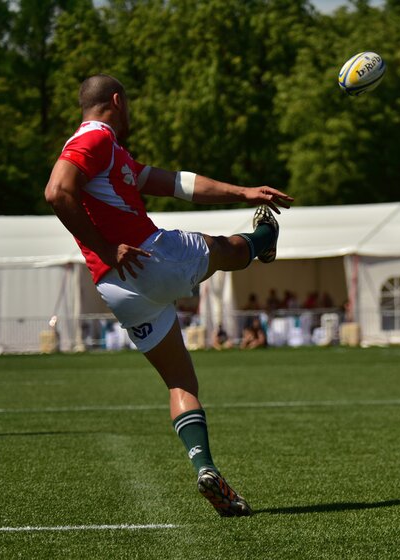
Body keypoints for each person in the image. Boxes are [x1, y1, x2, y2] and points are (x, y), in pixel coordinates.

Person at [44, 74, 293, 517]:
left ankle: (205, 468)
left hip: (116, 288)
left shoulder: (113, 155)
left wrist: (242, 191)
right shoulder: (96, 138)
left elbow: (178, 183)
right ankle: (262, 239)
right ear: (117, 102)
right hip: (145, 257)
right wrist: (106, 245)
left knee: (181, 383)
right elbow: (56, 190)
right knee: (225, 249)